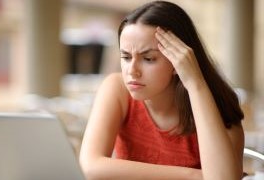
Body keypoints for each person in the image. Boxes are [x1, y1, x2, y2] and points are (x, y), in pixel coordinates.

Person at [79, 1, 245, 179]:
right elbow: (90, 167)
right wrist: (192, 175)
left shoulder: (218, 107)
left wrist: (195, 83)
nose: (132, 71)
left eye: (148, 58)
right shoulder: (118, 89)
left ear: (179, 61)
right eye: (126, 57)